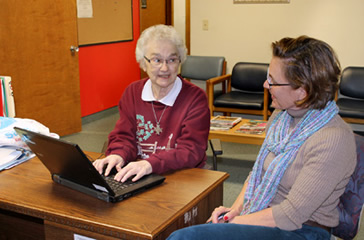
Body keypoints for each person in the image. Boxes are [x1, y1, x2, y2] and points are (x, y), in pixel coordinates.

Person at [167, 36, 357, 240]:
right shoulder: (281, 116)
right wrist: (236, 210)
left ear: (302, 91)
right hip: (266, 216)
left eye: (273, 81)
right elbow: (258, 173)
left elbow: (290, 215)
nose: (266, 84)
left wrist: (233, 223)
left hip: (303, 230)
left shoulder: (333, 139)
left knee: (184, 238)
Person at [93, 24, 210, 182]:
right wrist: (117, 154)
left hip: (180, 175)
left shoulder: (195, 97)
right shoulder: (132, 92)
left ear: (180, 61)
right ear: (143, 62)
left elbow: (190, 150)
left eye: (172, 60)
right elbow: (124, 136)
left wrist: (149, 164)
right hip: (139, 173)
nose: (164, 68)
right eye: (156, 60)